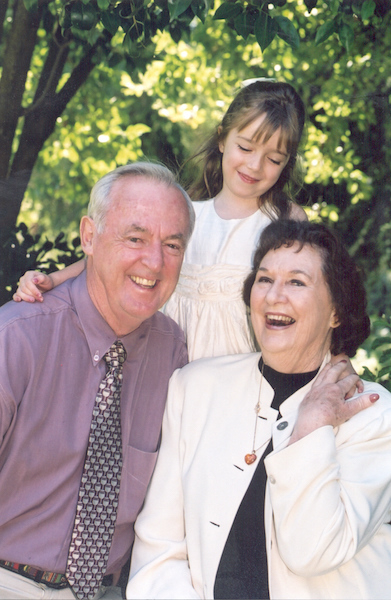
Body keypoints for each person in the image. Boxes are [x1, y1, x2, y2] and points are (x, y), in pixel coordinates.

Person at [126, 219, 391, 600]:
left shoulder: (374, 414)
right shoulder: (193, 387)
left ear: (336, 311)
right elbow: (159, 546)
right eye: (264, 279)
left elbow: (312, 552)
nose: (273, 296)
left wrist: (313, 426)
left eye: (297, 282)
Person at [0, 162, 195, 600]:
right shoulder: (16, 339)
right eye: (135, 238)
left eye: (172, 245)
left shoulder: (172, 354)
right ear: (89, 237)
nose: (154, 261)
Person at [14, 81, 307, 361]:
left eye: (274, 159)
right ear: (222, 138)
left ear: (287, 163)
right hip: (169, 374)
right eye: (245, 148)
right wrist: (51, 280)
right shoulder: (186, 213)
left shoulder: (283, 220)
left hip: (242, 380)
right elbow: (104, 256)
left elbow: (308, 298)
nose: (255, 165)